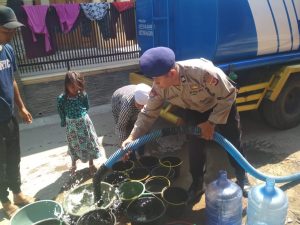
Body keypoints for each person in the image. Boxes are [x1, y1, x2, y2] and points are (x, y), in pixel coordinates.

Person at [122, 47, 250, 202]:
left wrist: (211, 123)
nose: (155, 84)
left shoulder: (202, 72)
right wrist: (132, 137)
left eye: (158, 80)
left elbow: (229, 94)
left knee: (233, 140)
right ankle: (197, 184)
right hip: (194, 110)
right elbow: (148, 113)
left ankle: (242, 177)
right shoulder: (159, 87)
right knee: (195, 147)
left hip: (221, 105)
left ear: (173, 74)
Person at [0, 5, 35, 218]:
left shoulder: (9, 50)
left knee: (14, 156)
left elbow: (12, 79)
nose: (12, 33)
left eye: (13, 29)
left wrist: (21, 107)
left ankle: (17, 192)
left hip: (10, 114)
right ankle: (4, 200)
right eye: (7, 30)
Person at [57, 71, 106, 176]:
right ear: (66, 85)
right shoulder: (62, 99)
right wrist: (63, 121)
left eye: (78, 87)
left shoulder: (82, 95)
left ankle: (91, 164)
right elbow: (61, 110)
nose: (76, 90)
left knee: (89, 143)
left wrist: (82, 116)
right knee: (73, 145)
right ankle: (74, 164)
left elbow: (86, 106)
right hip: (72, 127)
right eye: (73, 87)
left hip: (84, 124)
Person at [111, 83, 152, 160]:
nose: (141, 108)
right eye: (139, 105)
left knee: (143, 127)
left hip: (131, 93)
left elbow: (146, 122)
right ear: (135, 101)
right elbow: (121, 127)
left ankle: (141, 152)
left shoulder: (150, 98)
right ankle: (131, 156)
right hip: (117, 101)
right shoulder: (127, 105)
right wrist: (124, 147)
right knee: (127, 127)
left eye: (143, 106)